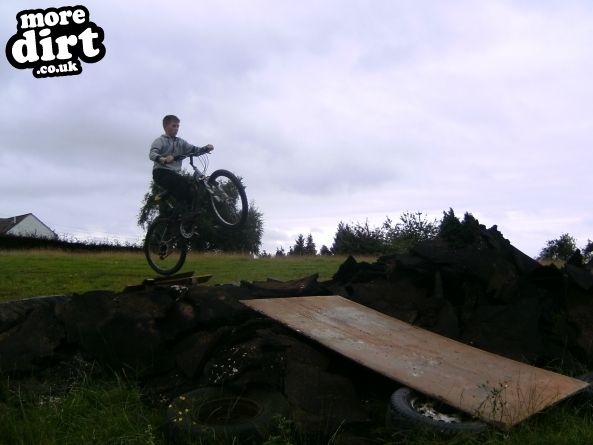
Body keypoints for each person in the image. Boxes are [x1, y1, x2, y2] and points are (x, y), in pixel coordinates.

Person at [149, 115, 213, 213]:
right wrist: (163, 159)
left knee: (191, 188)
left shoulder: (181, 142)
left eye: (178, 126)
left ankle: (186, 215)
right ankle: (182, 209)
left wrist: (205, 148)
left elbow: (194, 150)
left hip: (174, 174)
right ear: (165, 127)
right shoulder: (160, 141)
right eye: (173, 126)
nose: (176, 128)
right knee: (181, 182)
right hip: (160, 172)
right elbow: (152, 154)